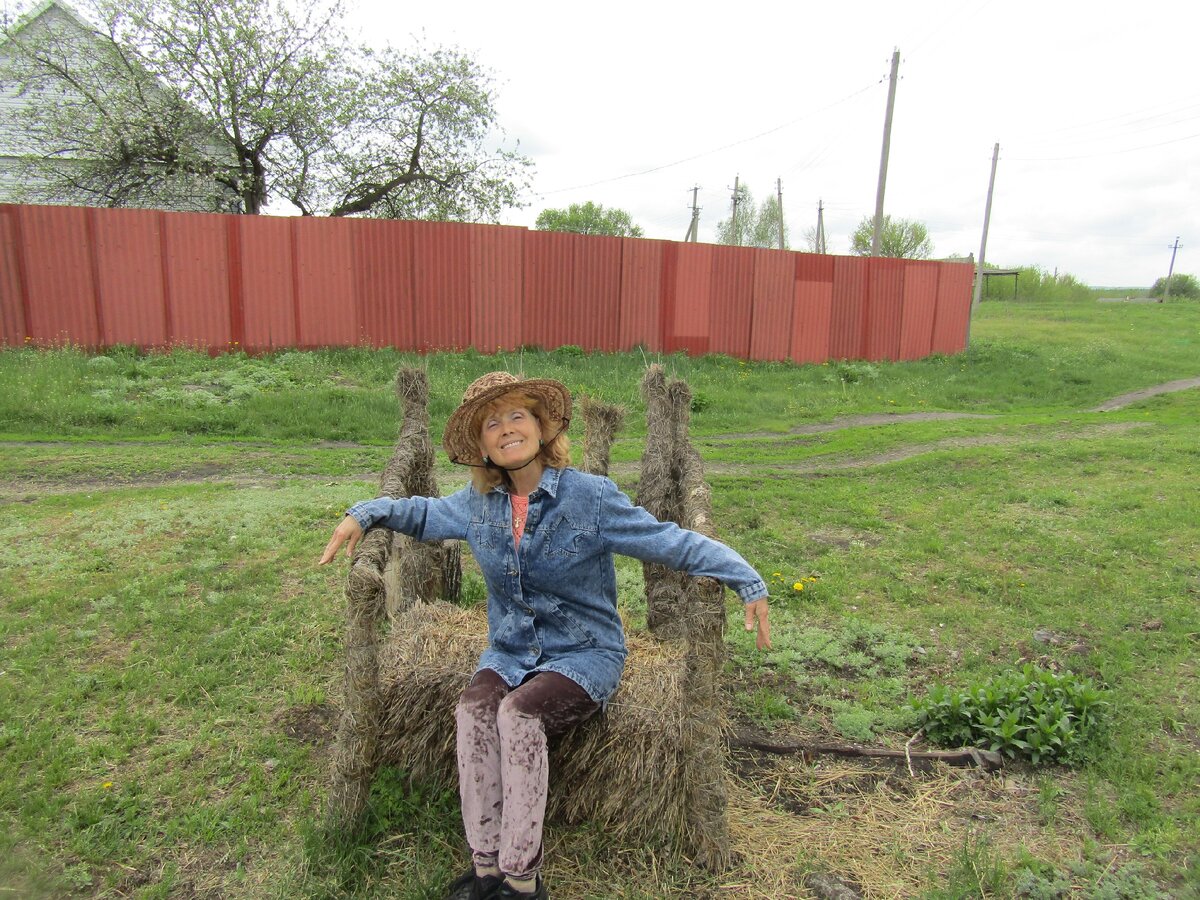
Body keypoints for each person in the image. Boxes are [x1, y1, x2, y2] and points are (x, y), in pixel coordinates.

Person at [320, 371, 771, 900]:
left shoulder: (591, 498)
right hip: (510, 649)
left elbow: (668, 541)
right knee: (472, 709)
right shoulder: (476, 504)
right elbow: (418, 512)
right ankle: (485, 870)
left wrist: (746, 578)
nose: (506, 429)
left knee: (519, 715)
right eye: (492, 424)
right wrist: (363, 514)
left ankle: (521, 880)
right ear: (481, 445)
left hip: (584, 652)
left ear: (539, 426)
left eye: (517, 415)